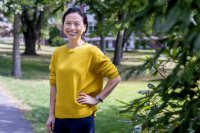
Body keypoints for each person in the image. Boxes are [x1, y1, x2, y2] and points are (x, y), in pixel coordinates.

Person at [45, 7, 121, 133]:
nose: (72, 27)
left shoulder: (92, 52)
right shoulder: (57, 53)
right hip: (59, 118)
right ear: (63, 26)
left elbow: (115, 78)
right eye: (68, 23)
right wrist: (51, 115)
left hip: (82, 118)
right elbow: (54, 85)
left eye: (77, 23)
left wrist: (97, 99)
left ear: (84, 27)